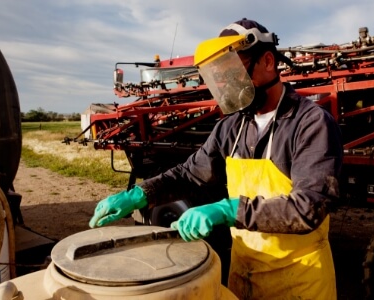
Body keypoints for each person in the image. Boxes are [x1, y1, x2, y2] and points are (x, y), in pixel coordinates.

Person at [89, 18, 343, 300]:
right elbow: (189, 174)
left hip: (299, 281)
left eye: (235, 71)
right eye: (221, 75)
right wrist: (139, 194)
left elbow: (309, 207)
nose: (228, 83)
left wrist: (226, 210)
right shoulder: (231, 127)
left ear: (268, 61)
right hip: (244, 272)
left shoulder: (310, 123)